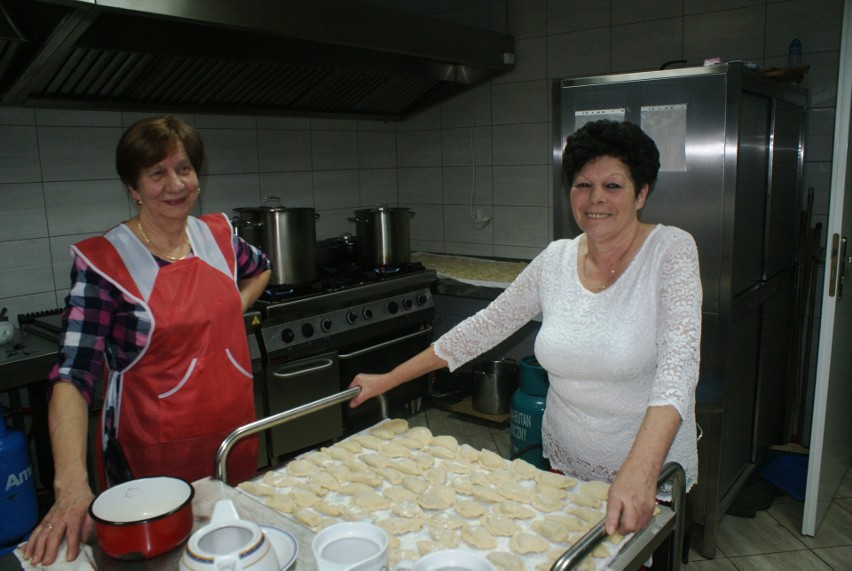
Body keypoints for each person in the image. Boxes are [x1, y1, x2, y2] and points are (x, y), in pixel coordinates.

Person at [349, 119, 702, 538]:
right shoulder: (556, 260)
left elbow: (678, 371)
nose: (595, 200)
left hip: (646, 476)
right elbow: (483, 327)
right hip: (565, 465)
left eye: (614, 186)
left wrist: (640, 471)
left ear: (642, 193)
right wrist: (388, 379)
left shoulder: (671, 251)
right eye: (582, 185)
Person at [22, 116, 272, 566]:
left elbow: (262, 267)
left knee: (231, 551)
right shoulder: (104, 263)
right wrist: (70, 483)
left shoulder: (217, 235)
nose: (175, 184)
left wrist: (232, 307)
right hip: (152, 451)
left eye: (184, 169)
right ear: (133, 187)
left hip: (231, 435)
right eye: (157, 173)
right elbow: (73, 373)